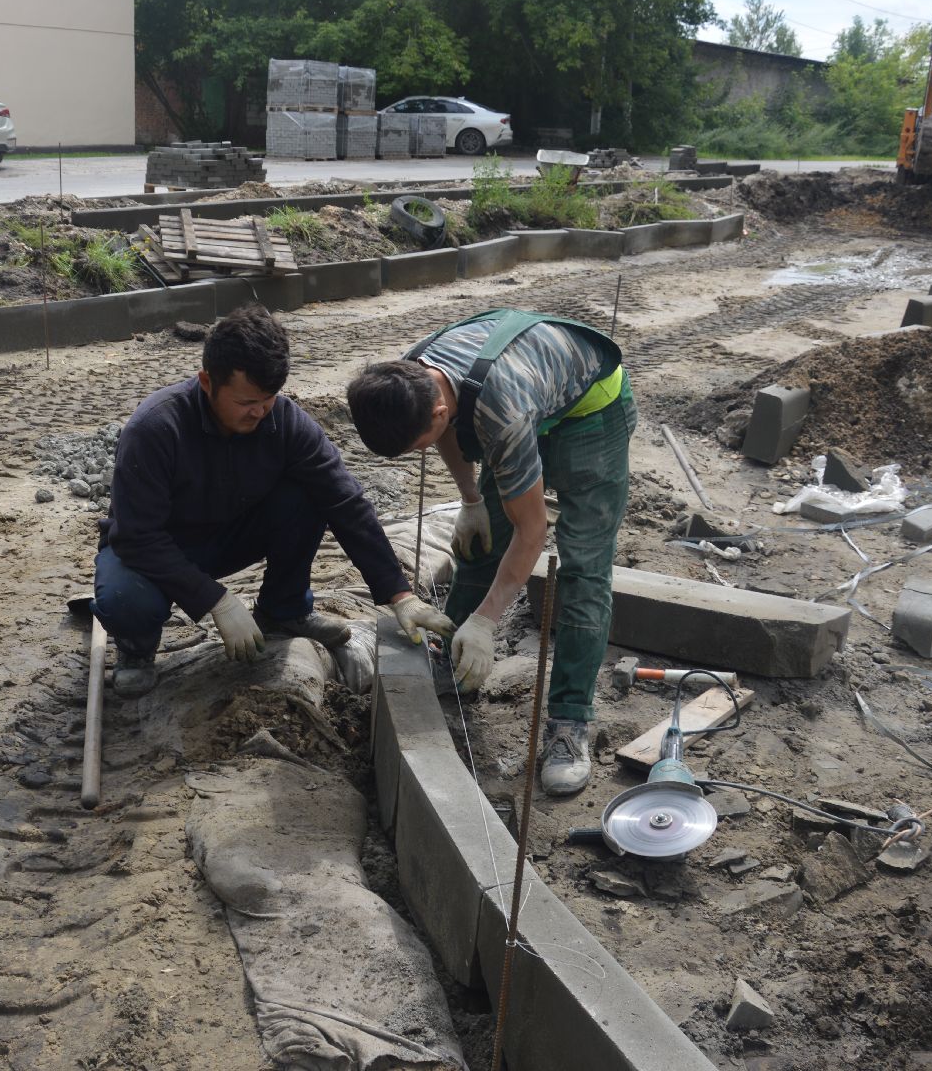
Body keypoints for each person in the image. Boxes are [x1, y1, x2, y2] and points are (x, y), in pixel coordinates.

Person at [94, 303, 455, 696]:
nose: (259, 413)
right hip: (156, 547)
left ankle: (284, 610)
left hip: (231, 536)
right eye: (246, 402)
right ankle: (136, 650)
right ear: (207, 382)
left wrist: (399, 595)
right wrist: (216, 600)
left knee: (309, 493)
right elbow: (136, 537)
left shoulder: (284, 421)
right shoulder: (155, 429)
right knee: (124, 598)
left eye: (268, 399)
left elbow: (346, 502)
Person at [344, 309, 635, 797]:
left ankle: (568, 723)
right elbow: (452, 430)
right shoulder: (416, 373)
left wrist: (488, 622)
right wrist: (472, 502)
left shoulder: (504, 413)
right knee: (477, 548)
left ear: (434, 411)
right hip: (524, 397)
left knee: (583, 572)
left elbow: (533, 530)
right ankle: (453, 663)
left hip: (592, 416)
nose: (422, 451)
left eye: (418, 445)